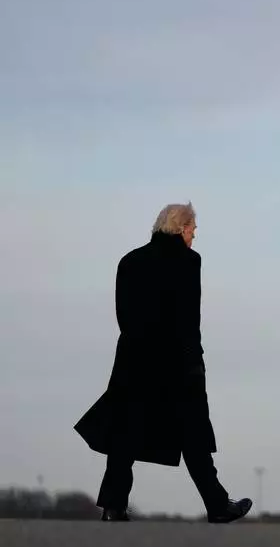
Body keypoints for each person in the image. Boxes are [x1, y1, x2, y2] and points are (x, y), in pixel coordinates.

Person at [73, 203, 252, 523]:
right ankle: (217, 505)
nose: (194, 238)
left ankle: (114, 507)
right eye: (193, 231)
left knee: (124, 436)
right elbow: (188, 319)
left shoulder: (129, 261)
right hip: (178, 365)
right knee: (194, 436)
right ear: (182, 228)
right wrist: (195, 363)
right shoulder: (189, 261)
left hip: (134, 363)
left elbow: (124, 316)